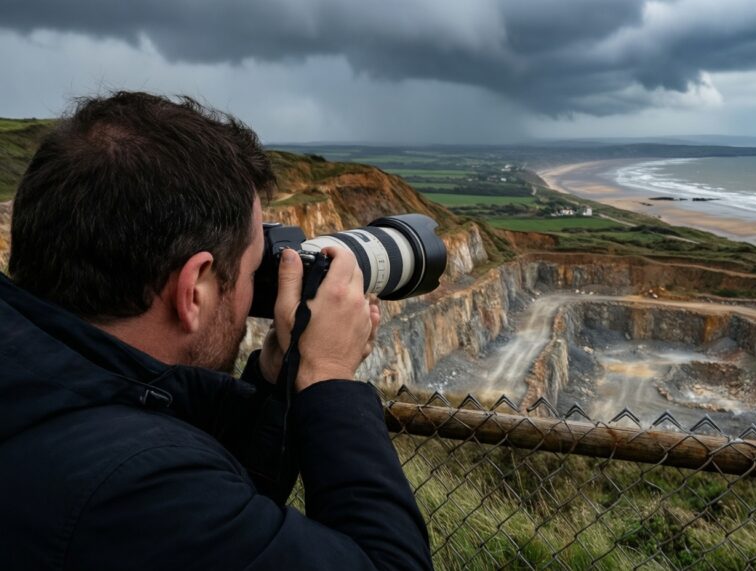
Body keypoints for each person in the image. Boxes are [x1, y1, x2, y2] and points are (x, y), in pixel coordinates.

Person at [0, 92, 433, 570]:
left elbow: (226, 521)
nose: (256, 289)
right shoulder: (138, 490)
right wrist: (328, 376)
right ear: (194, 291)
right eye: (253, 268)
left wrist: (274, 380)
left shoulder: (47, 396)